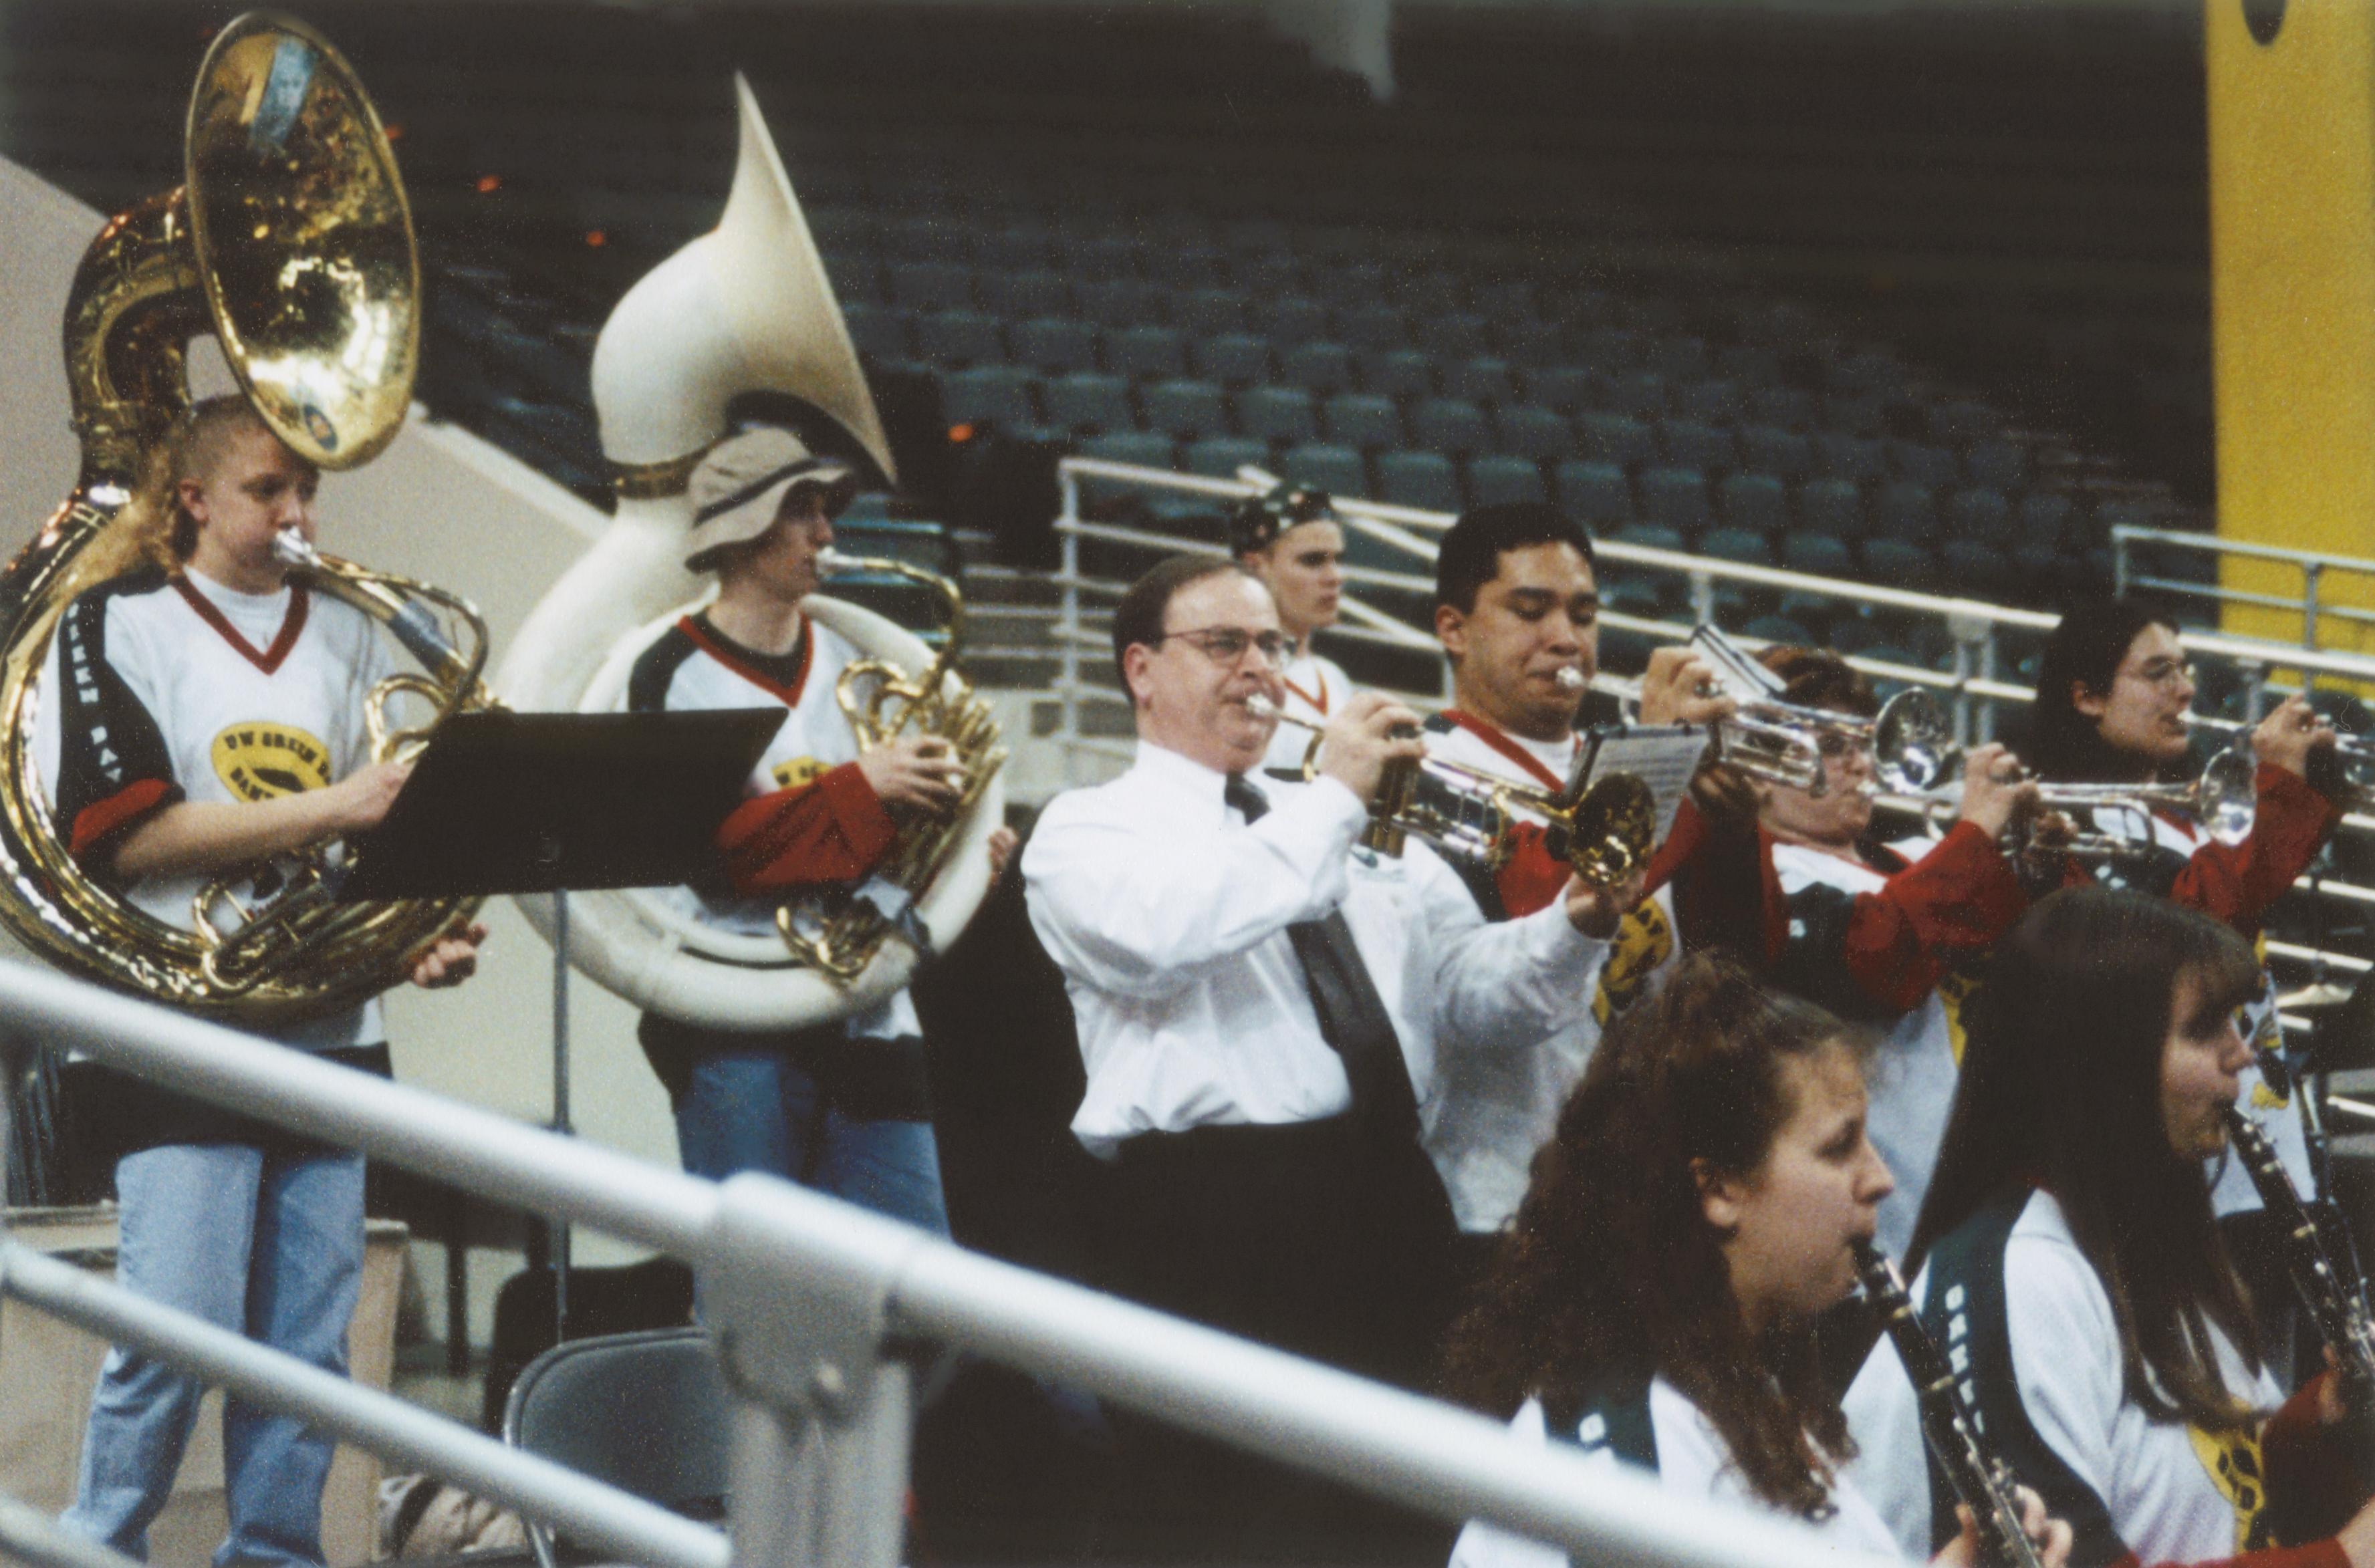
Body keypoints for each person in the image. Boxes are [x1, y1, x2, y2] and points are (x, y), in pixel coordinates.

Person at [1021, 553, 1636, 1559]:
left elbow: (1470, 999)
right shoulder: (1087, 827)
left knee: (1408, 1516)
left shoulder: (1335, 822)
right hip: (1209, 1212)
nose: (1258, 668)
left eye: (1272, 645)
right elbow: (1168, 932)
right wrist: (1335, 798)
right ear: (1141, 669)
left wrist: (1576, 923)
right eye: (1223, 644)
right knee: (1232, 1524)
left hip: (1387, 1188)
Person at [45, 394, 483, 1568]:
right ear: (193, 499)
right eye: (267, 488)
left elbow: (377, 843)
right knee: (175, 1331)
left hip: (329, 1026)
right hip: (174, 1023)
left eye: (308, 490)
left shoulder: (345, 629)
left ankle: (278, 1557)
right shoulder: (116, 621)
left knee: (307, 1354)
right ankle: (95, 1547)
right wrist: (338, 804)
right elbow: (125, 835)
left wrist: (410, 938)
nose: (298, 513)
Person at [1441, 952, 2072, 1568]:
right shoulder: (1615, 1457)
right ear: (1718, 1189)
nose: (1879, 1179)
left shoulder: (1753, 1395)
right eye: (1838, 1147)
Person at [1842, 888, 2375, 1568]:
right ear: (2104, 1063)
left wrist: (2315, 1424)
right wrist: (2346, 1557)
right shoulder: (2021, 1275)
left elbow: (2220, 1500)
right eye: (2204, 1029)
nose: (2241, 1054)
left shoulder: (2138, 1243)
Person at [626, 424, 1014, 1233]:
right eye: (800, 512)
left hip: (870, 1012)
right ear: (742, 532)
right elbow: (715, 859)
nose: (826, 535)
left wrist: (955, 862)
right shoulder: (670, 671)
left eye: (824, 512)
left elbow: (880, 846)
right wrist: (860, 789)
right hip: (735, 1018)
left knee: (914, 1280)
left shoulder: (854, 656)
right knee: (758, 1279)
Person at [1416, 501, 1749, 1249]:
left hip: (1650, 1185)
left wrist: (1735, 820)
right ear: (1453, 629)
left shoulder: (1618, 762)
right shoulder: (1420, 766)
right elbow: (1534, 894)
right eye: (1529, 611)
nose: (1565, 638)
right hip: (1503, 1194)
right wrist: (1663, 758)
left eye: (1584, 614)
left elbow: (1732, 959)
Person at [2030, 599, 2344, 1350]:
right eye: (2157, 673)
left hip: (2260, 1135)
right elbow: (2179, 940)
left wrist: (2318, 784)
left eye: (2186, 669)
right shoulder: (2064, 826)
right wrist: (2278, 786)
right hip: (2179, 1166)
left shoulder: (2186, 813)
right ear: (2086, 696)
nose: (2185, 690)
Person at [1733, 647, 2039, 1257]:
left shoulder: (1914, 858)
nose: (1859, 764)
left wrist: (2038, 857)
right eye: (1831, 746)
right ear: (1759, 770)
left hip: (1974, 1177)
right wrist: (1976, 833)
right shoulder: (1768, 877)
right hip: (1887, 1204)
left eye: (1864, 743)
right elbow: (1871, 965)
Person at [1227, 481, 1354, 777]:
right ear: (1255, 567)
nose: (1335, 577)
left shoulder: (1333, 677)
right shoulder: (1234, 680)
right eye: (1313, 561)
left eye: (1338, 559)